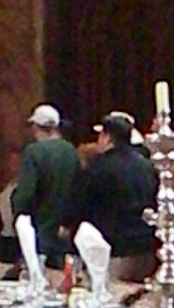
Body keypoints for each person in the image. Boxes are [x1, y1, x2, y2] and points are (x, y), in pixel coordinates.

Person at [62, 110, 158, 282]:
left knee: (111, 295)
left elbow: (77, 206)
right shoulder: (147, 166)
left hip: (114, 250)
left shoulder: (97, 168)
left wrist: (67, 226)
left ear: (107, 138)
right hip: (146, 251)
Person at [12, 103, 79, 269]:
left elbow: (26, 193)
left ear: (35, 126)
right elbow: (79, 190)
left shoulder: (34, 152)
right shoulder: (71, 151)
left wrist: (19, 215)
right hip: (64, 232)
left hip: (39, 231)